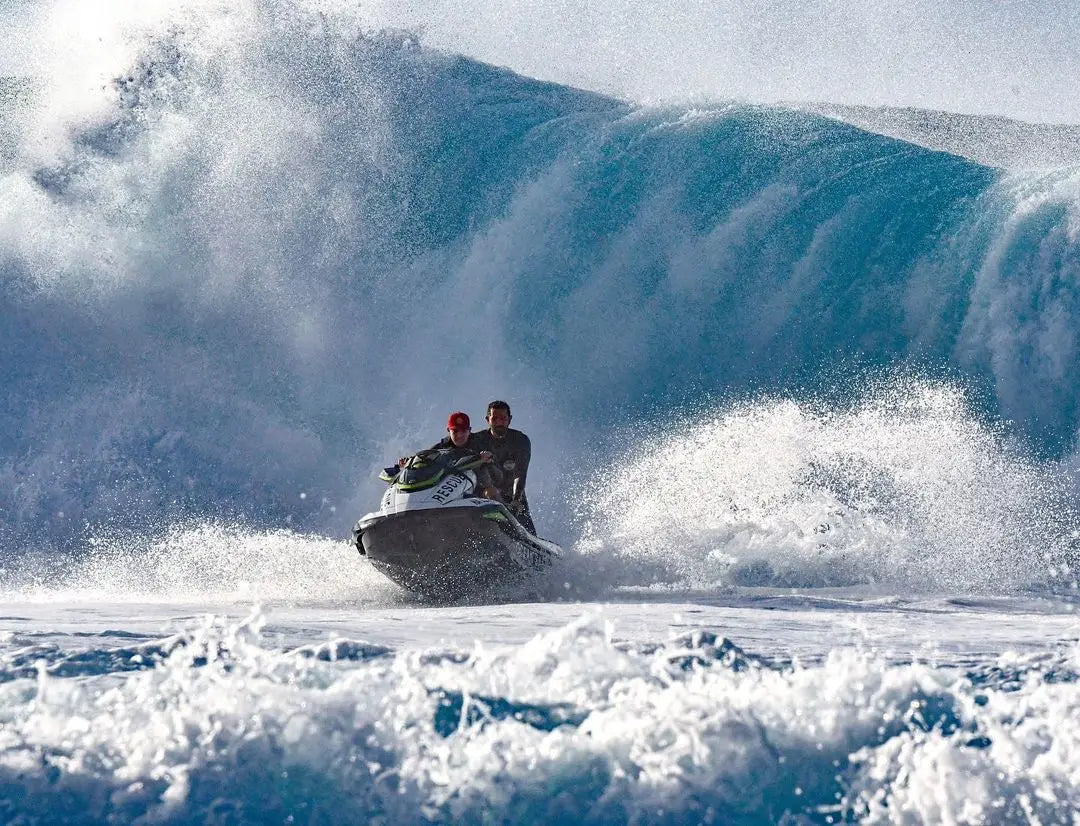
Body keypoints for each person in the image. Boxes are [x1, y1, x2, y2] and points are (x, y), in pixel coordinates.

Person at [470, 400, 535, 533]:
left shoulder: (520, 440)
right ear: (488, 419)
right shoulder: (477, 440)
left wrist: (516, 500)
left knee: (527, 532)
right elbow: (452, 445)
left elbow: (520, 473)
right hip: (484, 496)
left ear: (509, 420)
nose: (499, 422)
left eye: (503, 418)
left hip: (513, 495)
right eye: (495, 418)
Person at [406, 411, 501, 500]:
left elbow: (498, 475)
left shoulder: (481, 444)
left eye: (463, 431)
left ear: (469, 430)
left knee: (490, 492)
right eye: (455, 431)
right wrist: (408, 464)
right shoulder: (439, 449)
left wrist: (488, 461)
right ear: (448, 430)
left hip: (478, 489)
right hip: (445, 493)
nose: (459, 435)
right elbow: (424, 462)